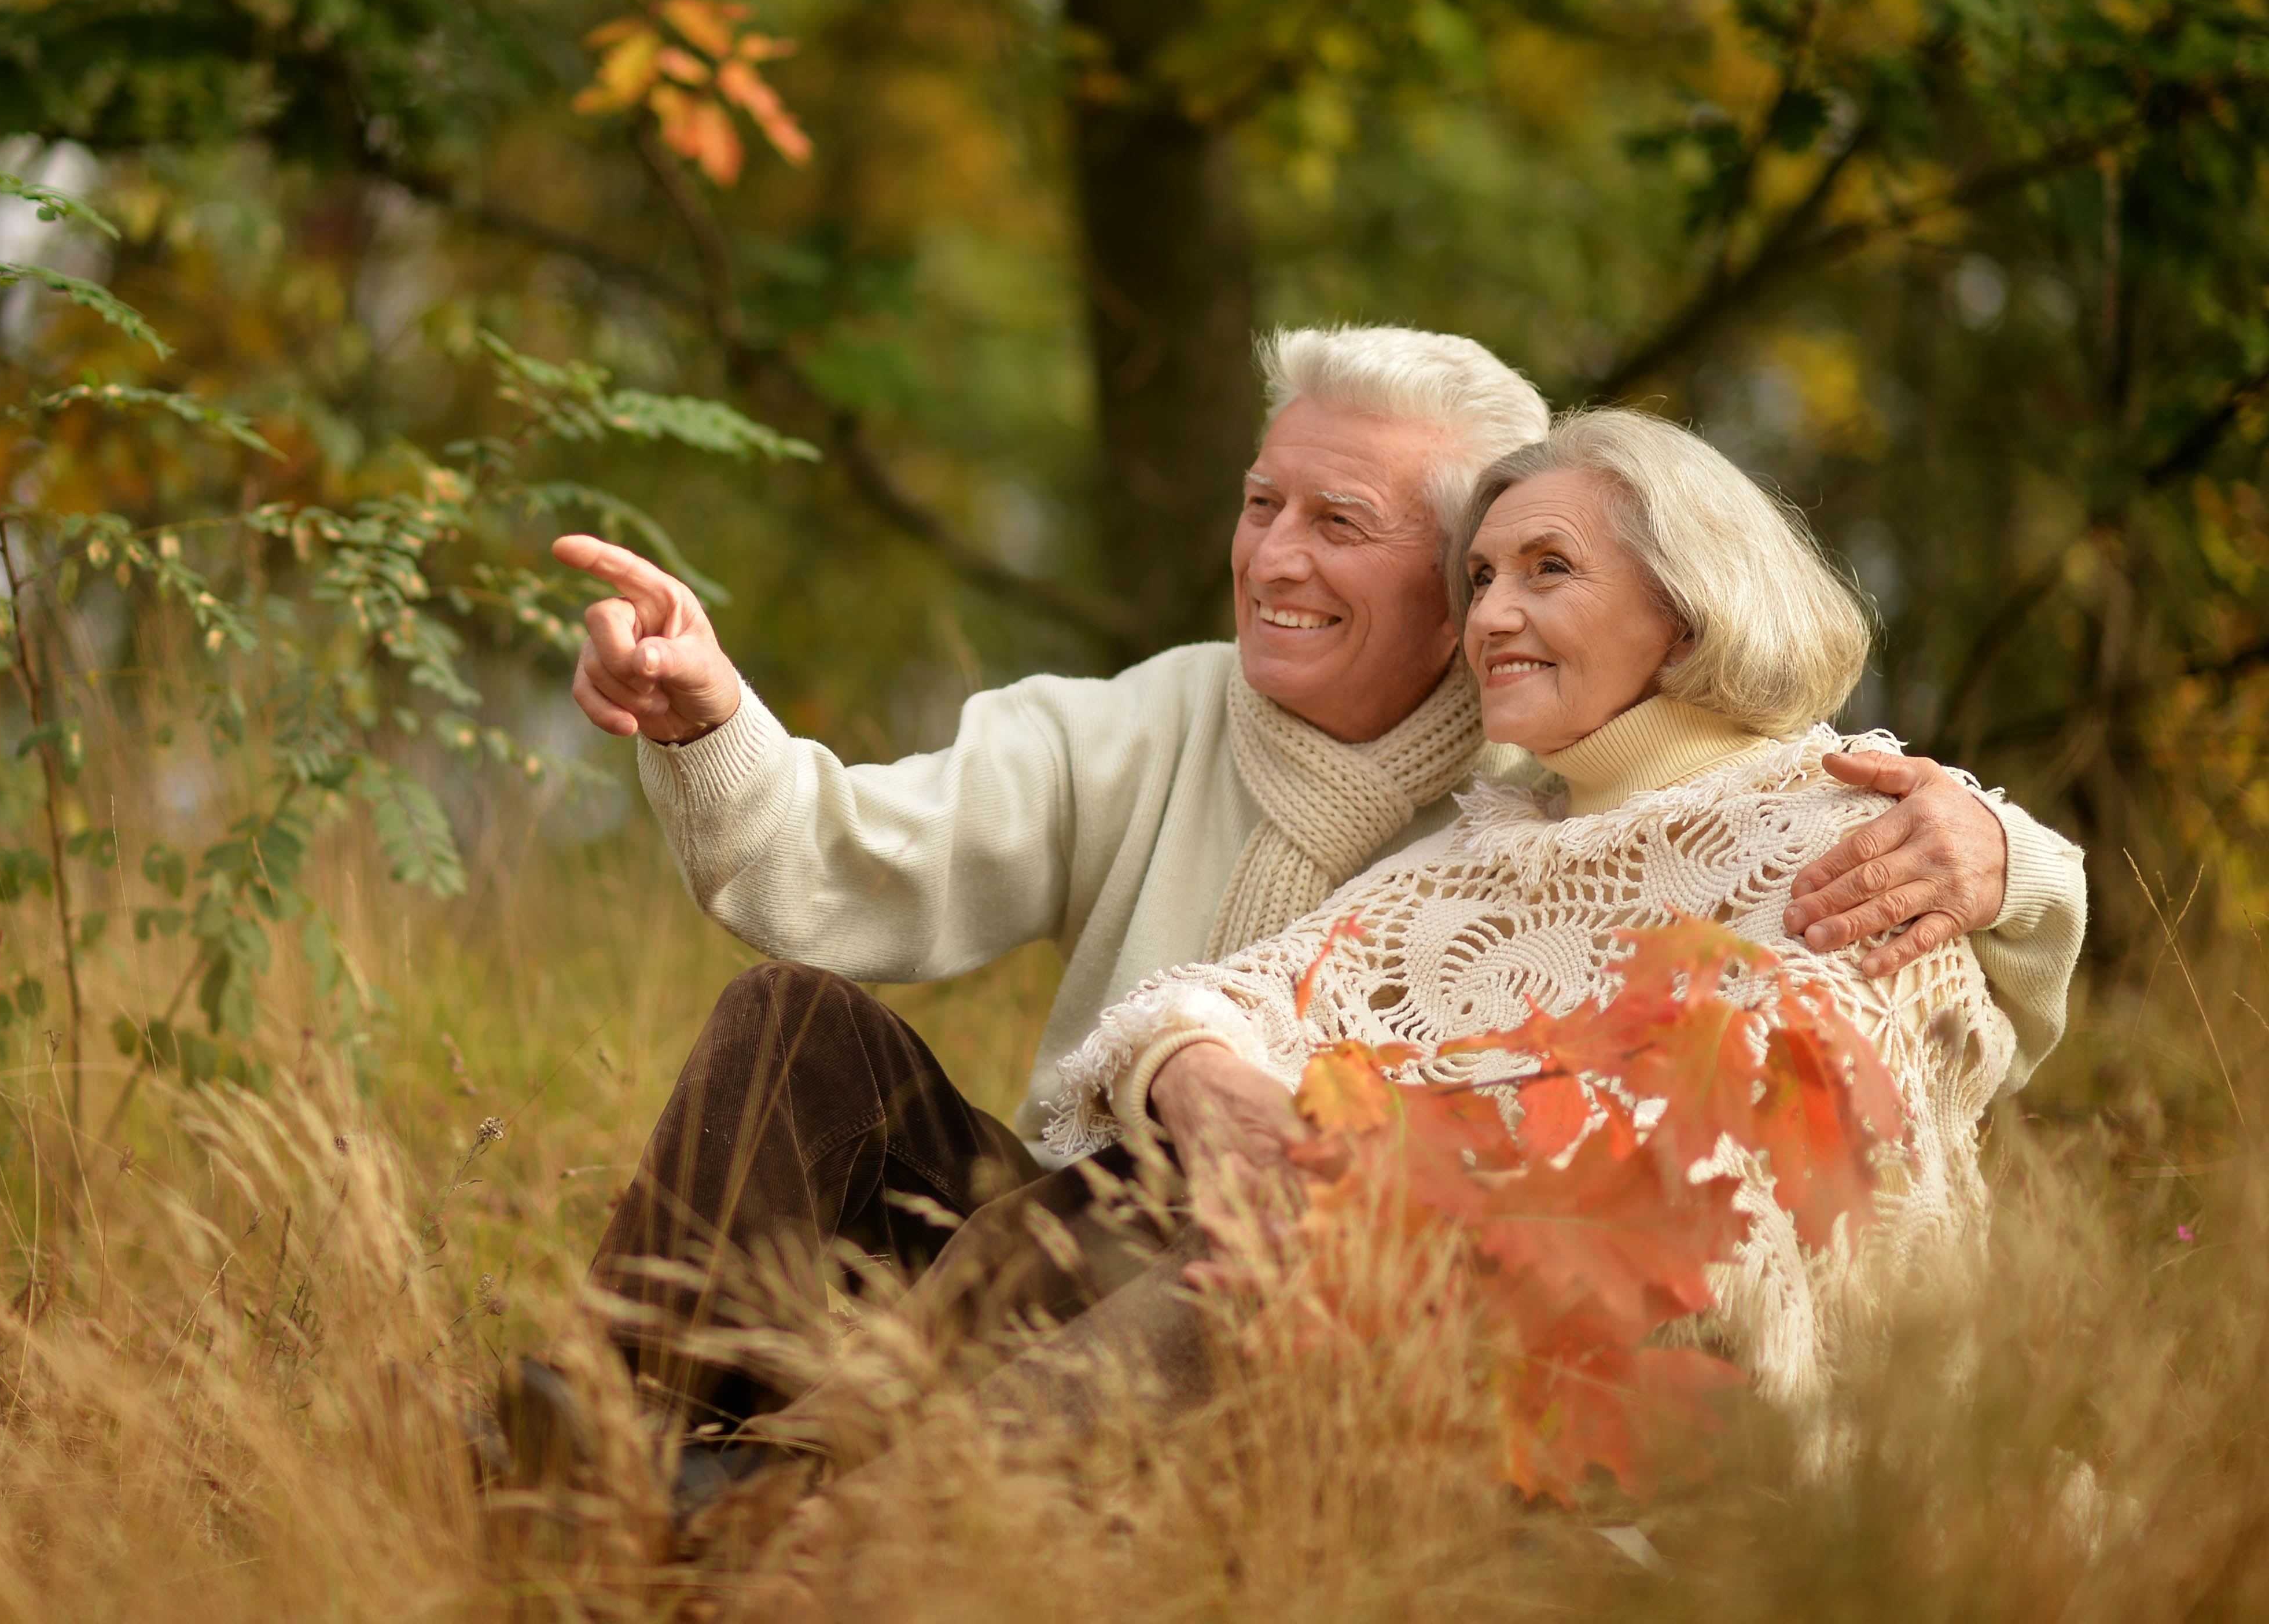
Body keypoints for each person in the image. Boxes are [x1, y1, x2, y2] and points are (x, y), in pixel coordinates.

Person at [546, 327, 2087, 1446]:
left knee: (1190, 1220)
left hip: (1296, 1313)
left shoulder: (1553, 779)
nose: (1273, 556)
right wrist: (710, 719)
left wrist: (2001, 847)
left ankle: (769, 1495)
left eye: (1341, 524)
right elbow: (834, 864)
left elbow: (1819, 849)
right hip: (1050, 1246)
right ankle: (589, 1459)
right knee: (799, 1032)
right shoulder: (1152, 716)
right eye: (1261, 501)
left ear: (1460, 564)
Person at [1053, 406, 2035, 1408]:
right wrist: (1199, 1069)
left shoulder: (1868, 837)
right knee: (1122, 1197)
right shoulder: (1478, 857)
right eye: (1480, 579)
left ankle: (924, 1520)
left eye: (1547, 568)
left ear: (1690, 603)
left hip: (1653, 1422)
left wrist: (1404, 1178)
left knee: (1258, 1259)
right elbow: (1210, 999)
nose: (1487, 618)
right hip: (1395, 1352)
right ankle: (920, 1495)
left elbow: (1764, 1189)